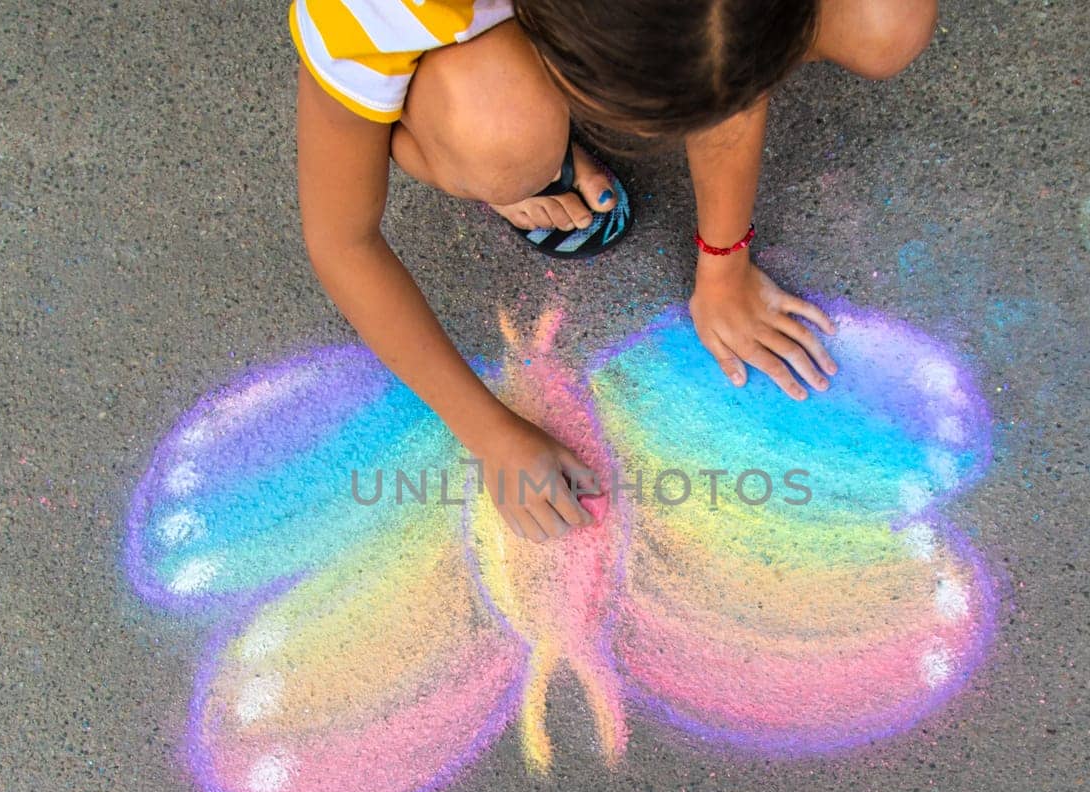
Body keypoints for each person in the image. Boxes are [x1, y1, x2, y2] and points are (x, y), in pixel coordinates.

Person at [292, 0, 938, 540]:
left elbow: (720, 60)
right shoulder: (381, 10)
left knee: (884, 27)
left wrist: (724, 263)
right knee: (500, 139)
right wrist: (489, 434)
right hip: (467, 53)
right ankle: (491, 165)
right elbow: (342, 239)